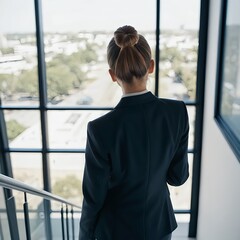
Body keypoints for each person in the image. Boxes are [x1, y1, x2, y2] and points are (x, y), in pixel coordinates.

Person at [79, 25, 189, 240]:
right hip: (159, 225)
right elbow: (178, 177)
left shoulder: (100, 129)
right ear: (151, 66)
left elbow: (93, 199)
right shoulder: (177, 113)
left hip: (116, 231)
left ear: (112, 75)